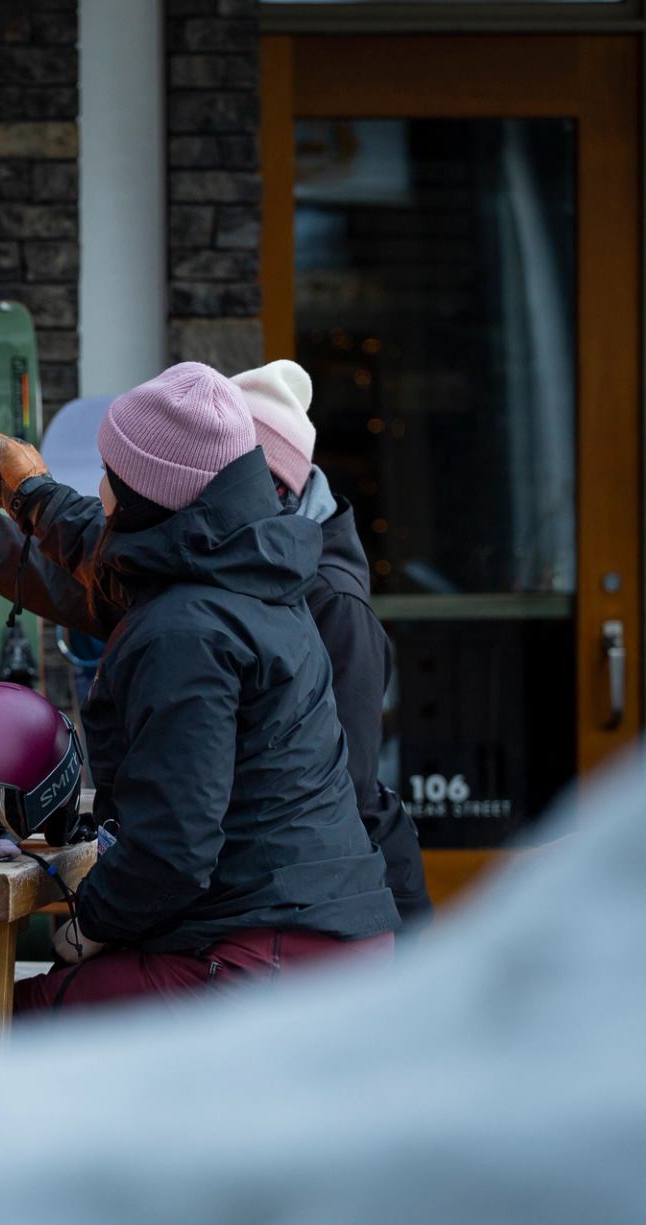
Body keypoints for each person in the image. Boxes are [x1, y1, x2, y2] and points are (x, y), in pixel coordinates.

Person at [0, 361, 399, 1013]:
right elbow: (115, 559)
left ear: (140, 497)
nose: (100, 487)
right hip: (302, 934)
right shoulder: (252, 563)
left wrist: (88, 925)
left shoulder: (185, 632)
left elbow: (174, 850)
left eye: (110, 474)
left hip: (271, 953)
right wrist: (30, 495)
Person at [231, 360, 432, 932]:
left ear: (272, 486)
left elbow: (347, 785)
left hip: (361, 904)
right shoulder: (252, 566)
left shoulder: (332, 603)